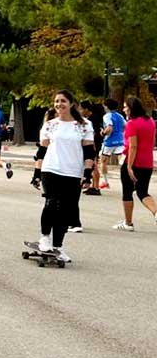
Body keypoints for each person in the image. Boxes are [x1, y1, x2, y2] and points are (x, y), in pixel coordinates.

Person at [29, 90, 94, 261]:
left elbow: (89, 152)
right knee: (51, 203)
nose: (59, 104)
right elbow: (41, 151)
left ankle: (58, 246)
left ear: (72, 103)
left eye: (63, 101)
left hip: (73, 172)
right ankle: (45, 238)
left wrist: (87, 174)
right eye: (56, 101)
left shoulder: (84, 125)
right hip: (51, 169)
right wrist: (36, 173)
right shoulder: (50, 124)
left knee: (65, 210)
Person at [112, 96, 157, 231]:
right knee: (142, 191)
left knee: (127, 192)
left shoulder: (132, 123)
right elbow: (153, 141)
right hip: (147, 161)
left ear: (131, 108)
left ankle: (128, 222)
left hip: (133, 161)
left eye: (125, 107)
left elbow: (133, 146)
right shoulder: (150, 121)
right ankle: (156, 212)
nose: (124, 109)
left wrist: (129, 166)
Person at [100, 97, 126, 189]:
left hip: (109, 141)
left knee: (103, 161)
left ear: (106, 106)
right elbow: (125, 126)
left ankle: (105, 182)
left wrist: (103, 133)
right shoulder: (120, 116)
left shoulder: (107, 116)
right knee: (122, 162)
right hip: (120, 140)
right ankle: (129, 180)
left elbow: (109, 127)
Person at [79, 100, 104, 195]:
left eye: (81, 109)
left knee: (94, 165)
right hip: (95, 144)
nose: (80, 111)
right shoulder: (93, 118)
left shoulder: (92, 120)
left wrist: (92, 147)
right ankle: (94, 185)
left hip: (94, 144)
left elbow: (92, 134)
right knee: (94, 165)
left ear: (86, 109)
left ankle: (96, 187)